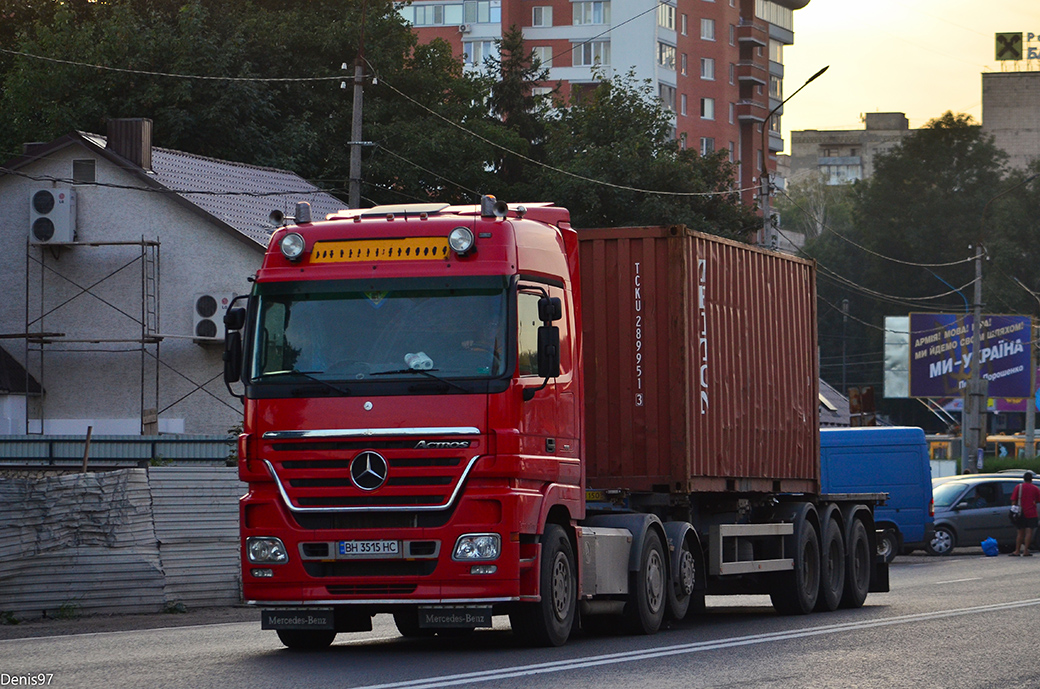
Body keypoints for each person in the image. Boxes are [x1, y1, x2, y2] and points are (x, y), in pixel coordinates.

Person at [1009, 471, 1040, 556]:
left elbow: (1014, 500)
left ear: (1024, 479)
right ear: (1031, 479)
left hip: (1021, 513)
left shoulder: (1019, 487)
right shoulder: (1035, 488)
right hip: (1032, 513)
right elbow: (1038, 499)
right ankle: (1026, 550)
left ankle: (1017, 550)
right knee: (1029, 532)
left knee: (1020, 533)